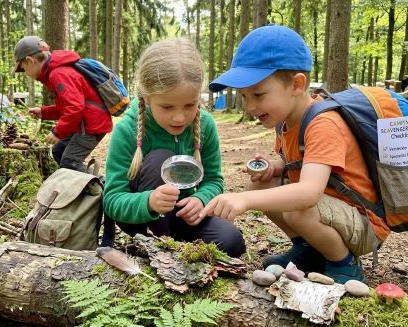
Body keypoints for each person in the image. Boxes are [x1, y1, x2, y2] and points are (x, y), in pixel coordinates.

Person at [199, 25, 390, 283]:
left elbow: (308, 192)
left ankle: (344, 264)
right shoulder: (286, 120)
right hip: (331, 212)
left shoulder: (323, 124)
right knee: (261, 185)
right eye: (244, 96)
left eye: (258, 94)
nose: (250, 106)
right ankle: (309, 250)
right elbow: (298, 162)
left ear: (297, 84)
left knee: (297, 207)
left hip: (365, 223)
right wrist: (275, 166)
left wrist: (243, 200)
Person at [103, 38, 246, 258]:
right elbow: (112, 200)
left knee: (232, 242)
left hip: (182, 216)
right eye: (167, 107)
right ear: (147, 98)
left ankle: (173, 247)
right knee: (161, 159)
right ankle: (157, 245)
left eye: (190, 105)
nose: (179, 117)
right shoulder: (127, 130)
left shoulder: (205, 124)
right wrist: (149, 202)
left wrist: (200, 200)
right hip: (142, 217)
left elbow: (214, 181)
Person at [13, 36, 112, 172]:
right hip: (83, 123)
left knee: (70, 161)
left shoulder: (58, 74)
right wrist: (43, 112)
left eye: (23, 68)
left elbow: (75, 108)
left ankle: (101, 186)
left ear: (30, 61)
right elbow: (66, 107)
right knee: (58, 152)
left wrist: (57, 132)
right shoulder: (56, 72)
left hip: (91, 125)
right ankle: (74, 185)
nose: (25, 72)